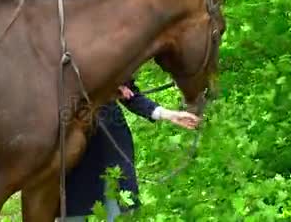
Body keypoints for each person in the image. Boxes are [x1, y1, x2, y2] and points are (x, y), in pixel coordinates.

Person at [60, 78, 201, 221]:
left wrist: (168, 114)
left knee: (121, 213)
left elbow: (131, 96)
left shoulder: (110, 58)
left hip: (111, 149)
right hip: (70, 152)